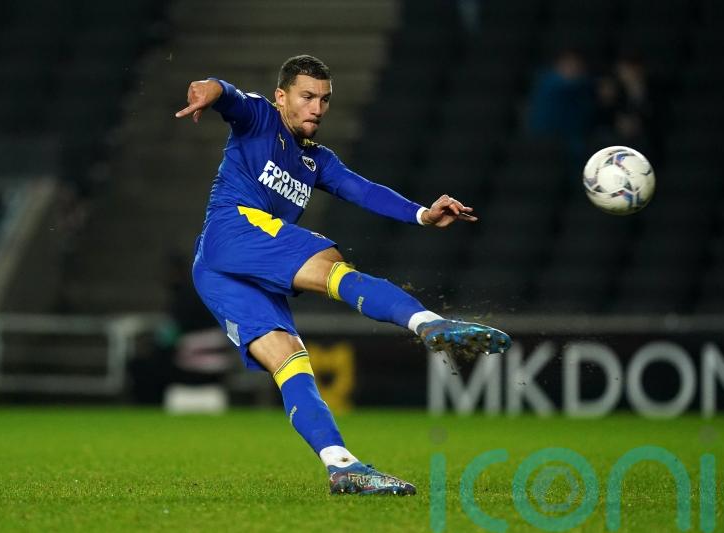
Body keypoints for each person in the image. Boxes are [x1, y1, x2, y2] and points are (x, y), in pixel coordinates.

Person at [175, 55, 511, 496]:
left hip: (217, 272)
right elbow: (226, 93)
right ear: (282, 97)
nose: (316, 107)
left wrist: (423, 214)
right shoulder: (259, 117)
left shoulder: (318, 160)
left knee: (292, 364)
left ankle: (342, 466)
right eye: (307, 96)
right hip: (234, 228)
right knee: (332, 261)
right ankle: (428, 323)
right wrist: (208, 89)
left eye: (325, 99)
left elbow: (362, 189)